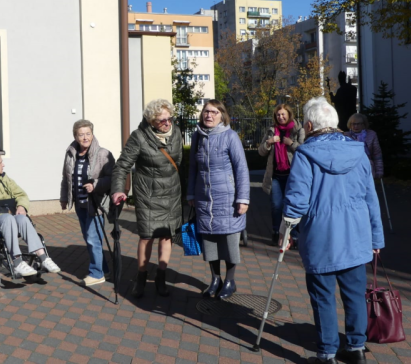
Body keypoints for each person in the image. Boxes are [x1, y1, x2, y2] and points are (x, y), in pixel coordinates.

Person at [281, 97, 384, 364]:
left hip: (320, 238)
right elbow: (370, 197)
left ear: (310, 124)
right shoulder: (358, 151)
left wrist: (286, 231)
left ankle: (327, 354)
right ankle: (356, 348)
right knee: (354, 296)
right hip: (356, 237)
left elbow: (297, 199)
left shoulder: (305, 154)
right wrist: (376, 238)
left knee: (323, 297)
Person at [111, 99, 182, 298]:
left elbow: (178, 162)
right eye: (162, 121)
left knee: (167, 235)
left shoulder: (176, 132)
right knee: (147, 236)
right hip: (148, 195)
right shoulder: (139, 137)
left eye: (169, 119)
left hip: (172, 193)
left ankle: (161, 276)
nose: (167, 123)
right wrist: (118, 190)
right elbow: (122, 165)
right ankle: (141, 277)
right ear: (151, 121)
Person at [187, 100, 250, 300]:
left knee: (229, 240)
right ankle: (215, 279)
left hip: (228, 199)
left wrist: (243, 198)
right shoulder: (197, 137)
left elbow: (241, 169)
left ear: (222, 115)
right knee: (210, 241)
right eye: (206, 111)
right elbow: (192, 169)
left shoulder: (230, 136)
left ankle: (230, 281)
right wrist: (190, 194)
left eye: (214, 112)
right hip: (204, 199)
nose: (209, 115)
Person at [0, 151, 60, 277]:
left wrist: (21, 206)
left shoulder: (4, 179)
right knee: (8, 218)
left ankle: (44, 258)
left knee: (22, 218)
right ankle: (17, 261)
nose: (3, 165)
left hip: (10, 217)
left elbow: (21, 194)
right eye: (0, 162)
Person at [60, 119, 115, 286]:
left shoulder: (103, 154)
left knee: (93, 238)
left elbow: (112, 178)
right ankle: (104, 270)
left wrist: (96, 184)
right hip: (80, 204)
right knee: (90, 238)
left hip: (95, 203)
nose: (85, 137)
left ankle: (96, 273)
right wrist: (64, 197)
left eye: (88, 134)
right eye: (81, 134)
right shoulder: (71, 153)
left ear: (92, 134)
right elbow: (66, 178)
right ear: (75, 136)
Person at [258, 103, 305, 245]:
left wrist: (291, 143)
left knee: (292, 205)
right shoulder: (272, 130)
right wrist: (268, 143)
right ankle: (276, 232)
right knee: (276, 205)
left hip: (293, 175)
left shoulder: (298, 129)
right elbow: (261, 151)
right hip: (276, 175)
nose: (281, 117)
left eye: (283, 114)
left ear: (289, 114)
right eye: (278, 115)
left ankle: (294, 235)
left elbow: (304, 151)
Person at [344, 113, 383, 179]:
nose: (355, 126)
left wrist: (379, 171)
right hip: (351, 167)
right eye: (353, 124)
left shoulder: (371, 134)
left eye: (358, 124)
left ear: (364, 124)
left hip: (367, 165)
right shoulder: (345, 136)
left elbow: (377, 154)